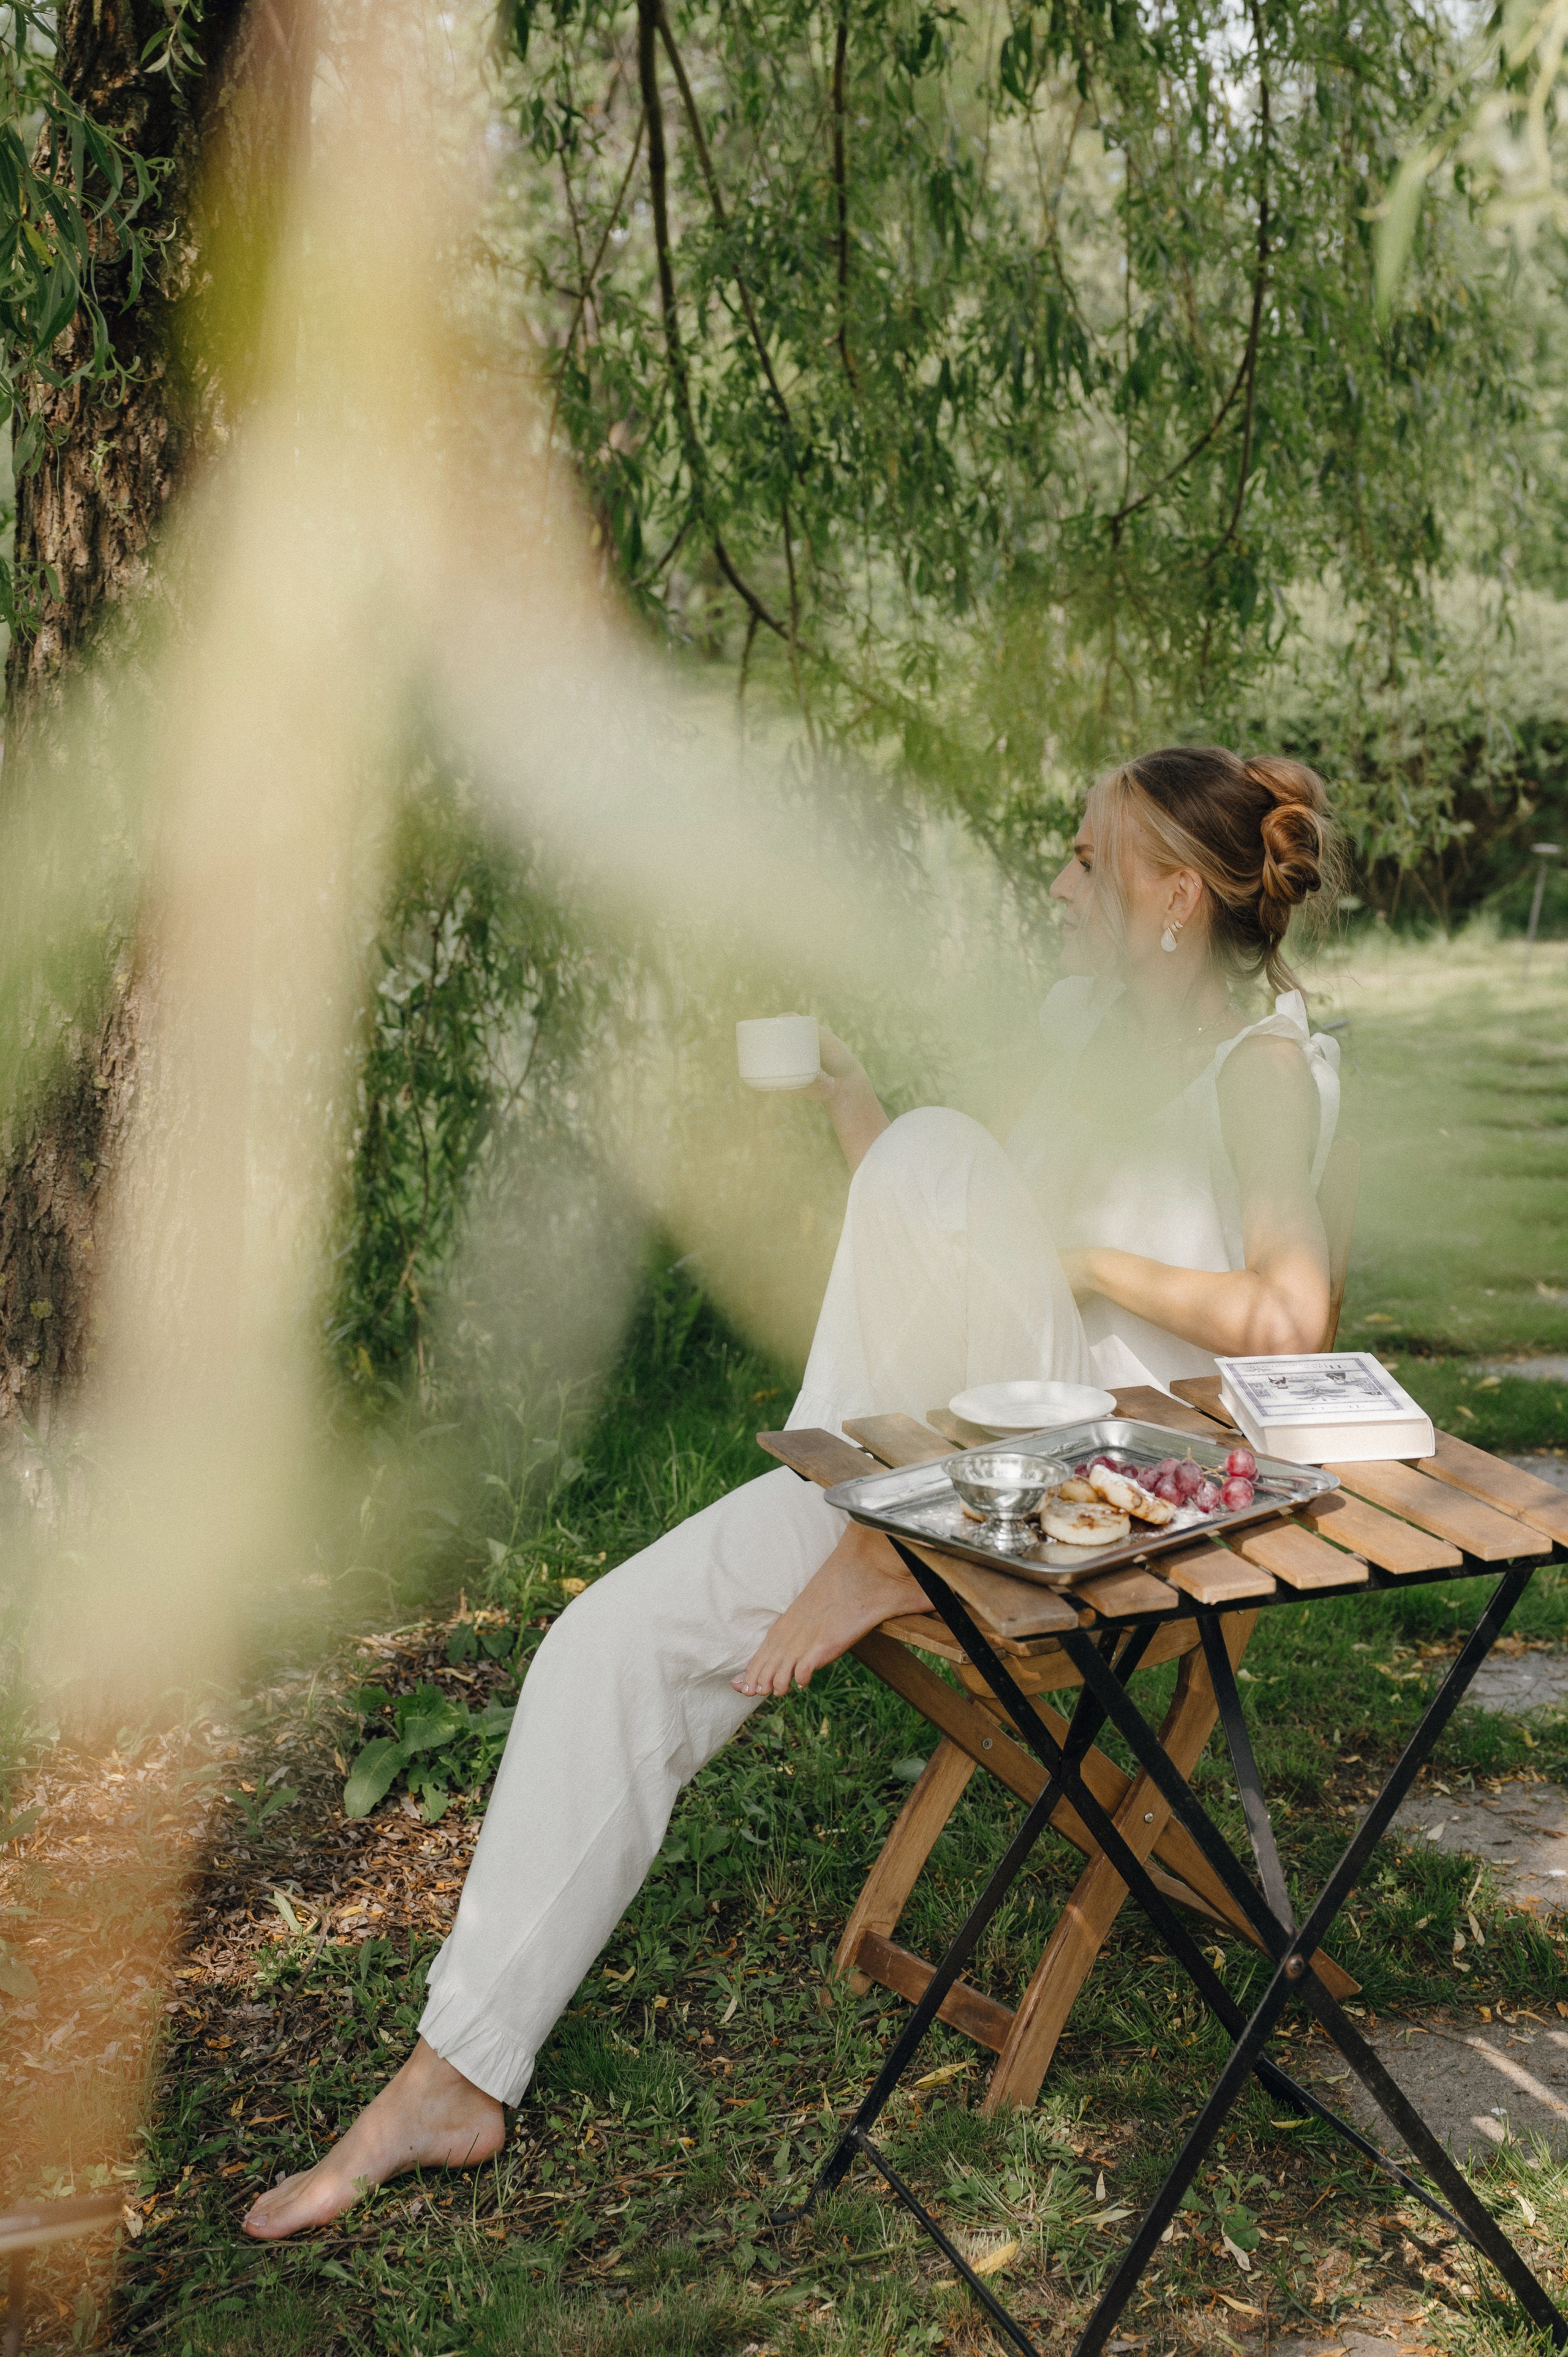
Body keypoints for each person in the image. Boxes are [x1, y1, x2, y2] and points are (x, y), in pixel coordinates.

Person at [244, 743, 1343, 2238]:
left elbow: (1291, 1318)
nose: (1056, 878)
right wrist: (850, 1101)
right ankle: (453, 2075)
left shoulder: (1257, 1065)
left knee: (952, 1160)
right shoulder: (1079, 1028)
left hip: (1108, 1496)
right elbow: (945, 1223)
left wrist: (1080, 1259)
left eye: (1084, 857)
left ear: (1167, 894)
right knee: (605, 1644)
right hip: (950, 1471)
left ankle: (878, 1541)